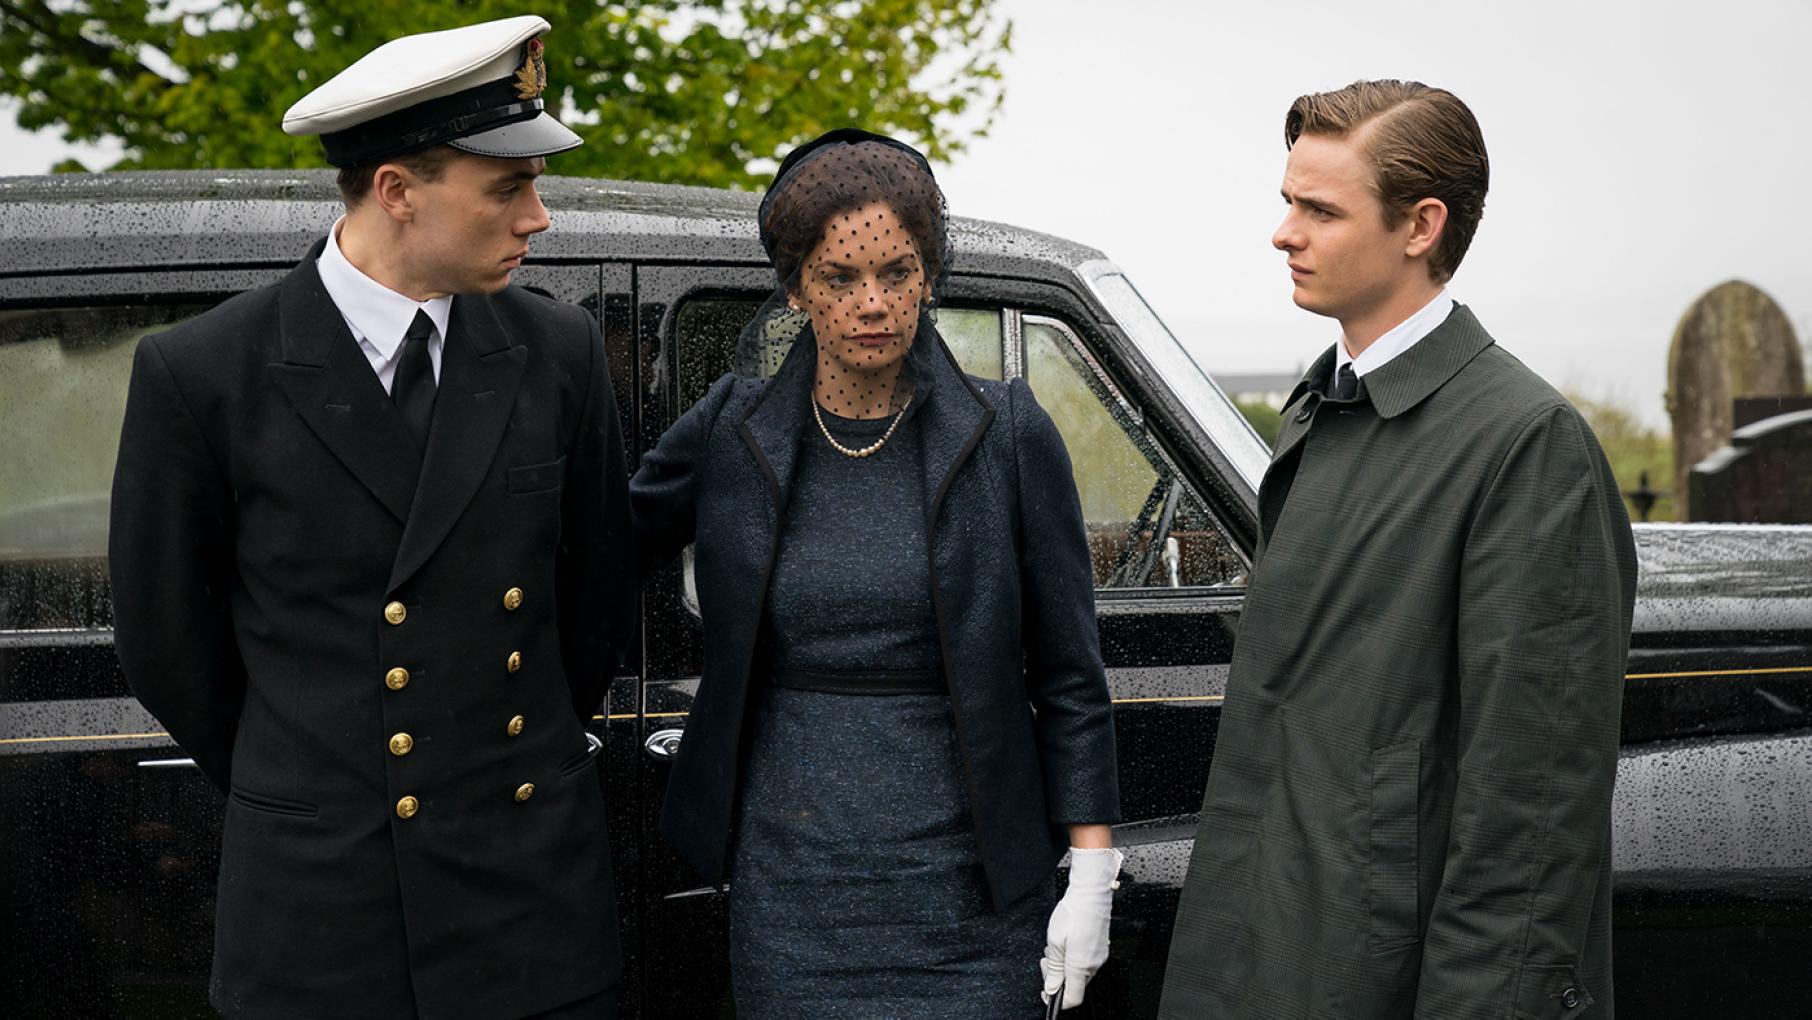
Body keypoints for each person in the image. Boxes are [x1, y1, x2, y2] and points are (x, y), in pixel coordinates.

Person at [108, 16, 634, 1019]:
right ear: (397, 191)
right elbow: (169, 645)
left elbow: (593, 604)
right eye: (508, 188)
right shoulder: (207, 371)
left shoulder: (557, 353)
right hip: (324, 911)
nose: (540, 217)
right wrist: (318, 775)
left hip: (529, 899)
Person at [1159, 80, 1638, 1018]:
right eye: (1287, 199)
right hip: (1265, 958)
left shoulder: (1527, 445)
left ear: (1421, 226)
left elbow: (1528, 819)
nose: (1283, 232)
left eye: (1319, 210)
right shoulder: (1324, 407)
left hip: (1375, 982)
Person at [629, 128, 1122, 1016]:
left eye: (896, 273)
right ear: (794, 289)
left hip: (975, 901)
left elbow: (1070, 675)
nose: (871, 303)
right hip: (792, 900)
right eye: (839, 277)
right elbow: (595, 554)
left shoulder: (1008, 434)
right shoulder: (732, 428)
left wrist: (1092, 878)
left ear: (929, 277)